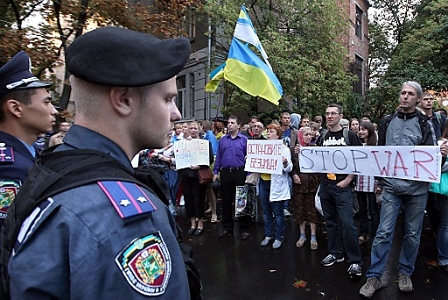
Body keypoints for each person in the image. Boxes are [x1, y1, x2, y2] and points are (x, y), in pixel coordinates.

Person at [5, 27, 192, 298]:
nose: (177, 114)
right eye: (169, 99)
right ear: (124, 100)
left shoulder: (56, 166)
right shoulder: (122, 219)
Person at [359, 81, 447, 298]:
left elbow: (432, 155)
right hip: (391, 186)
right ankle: (374, 277)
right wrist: (379, 179)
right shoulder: (387, 121)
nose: (405, 96)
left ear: (417, 99)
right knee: (383, 232)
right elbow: (381, 152)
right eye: (402, 93)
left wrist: (442, 153)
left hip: (417, 189)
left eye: (410, 94)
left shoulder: (426, 123)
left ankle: (405, 272)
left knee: (413, 234)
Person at [0, 51, 56, 227]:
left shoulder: (28, 155)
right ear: (16, 108)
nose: (54, 110)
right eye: (46, 102)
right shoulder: (11, 170)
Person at [317, 103, 363, 278]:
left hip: (343, 186)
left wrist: (348, 180)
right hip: (326, 186)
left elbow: (358, 159)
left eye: (333, 113)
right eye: (327, 113)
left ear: (340, 116)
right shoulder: (322, 136)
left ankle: (355, 261)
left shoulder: (349, 135)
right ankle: (336, 253)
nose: (329, 116)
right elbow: (317, 159)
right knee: (330, 221)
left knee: (347, 223)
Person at [213, 115, 250, 240]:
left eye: (232, 123)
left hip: (240, 172)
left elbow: (249, 157)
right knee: (226, 201)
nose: (229, 125)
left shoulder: (244, 140)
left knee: (242, 201)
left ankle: (244, 228)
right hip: (226, 173)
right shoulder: (223, 139)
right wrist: (216, 171)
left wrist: (248, 174)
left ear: (238, 125)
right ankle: (227, 227)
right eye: (228, 123)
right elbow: (219, 156)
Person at [258, 123, 292, 249]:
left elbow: (289, 169)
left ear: (278, 135)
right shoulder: (262, 147)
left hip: (276, 184)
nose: (268, 134)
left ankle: (279, 237)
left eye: (271, 132)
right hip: (264, 182)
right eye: (268, 131)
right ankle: (268, 235)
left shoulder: (284, 149)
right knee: (266, 211)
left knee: (277, 213)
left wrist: (285, 162)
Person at [178, 121, 214, 236]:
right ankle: (192, 223)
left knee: (199, 199)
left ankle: (200, 223)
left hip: (198, 175)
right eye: (191, 128)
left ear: (199, 129)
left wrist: (200, 166)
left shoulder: (204, 143)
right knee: (188, 198)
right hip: (186, 175)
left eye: (195, 128)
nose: (193, 130)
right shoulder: (183, 143)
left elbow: (210, 159)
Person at [291, 127, 320, 250]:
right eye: (306, 135)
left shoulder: (315, 150)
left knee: (312, 211)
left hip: (312, 185)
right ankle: (302, 235)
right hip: (299, 186)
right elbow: (289, 166)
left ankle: (313, 236)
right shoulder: (294, 150)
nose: (309, 137)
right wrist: (294, 175)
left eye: (310, 135)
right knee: (300, 210)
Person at [355, 121, 379, 245]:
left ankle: (375, 234)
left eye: (364, 129)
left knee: (373, 210)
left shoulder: (376, 145)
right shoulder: (357, 144)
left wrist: (380, 183)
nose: (361, 131)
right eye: (360, 129)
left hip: (372, 181)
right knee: (362, 209)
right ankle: (363, 233)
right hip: (360, 181)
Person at [279, 111, 297, 217]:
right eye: (285, 118)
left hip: (290, 159)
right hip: (278, 160)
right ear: (281, 119)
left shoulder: (294, 132)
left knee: (289, 184)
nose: (287, 120)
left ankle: (285, 207)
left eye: (288, 118)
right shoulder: (277, 131)